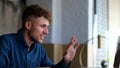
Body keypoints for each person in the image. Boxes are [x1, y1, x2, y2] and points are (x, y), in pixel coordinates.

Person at [0, 4, 80, 68]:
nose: (47, 32)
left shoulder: (39, 49)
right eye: (43, 26)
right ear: (28, 25)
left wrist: (65, 61)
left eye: (47, 27)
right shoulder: (5, 42)